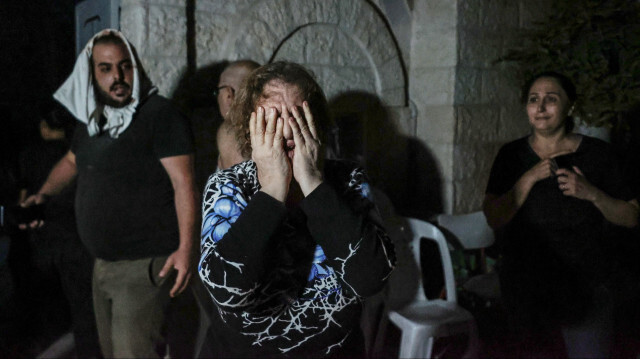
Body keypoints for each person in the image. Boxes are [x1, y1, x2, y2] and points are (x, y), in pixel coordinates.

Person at [20, 29, 198, 358]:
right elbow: (71, 162)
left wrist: (187, 249)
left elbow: (184, 184)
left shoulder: (159, 115)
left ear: (136, 67)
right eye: (105, 68)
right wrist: (43, 193)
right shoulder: (93, 120)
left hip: (144, 267)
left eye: (124, 66)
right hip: (101, 266)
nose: (117, 76)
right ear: (91, 74)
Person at [198, 61, 395, 358]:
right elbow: (227, 291)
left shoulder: (349, 179)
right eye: (272, 118)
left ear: (316, 123)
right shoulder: (228, 185)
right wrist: (273, 190)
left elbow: (370, 279)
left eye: (298, 116)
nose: (287, 130)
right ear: (249, 128)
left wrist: (314, 185)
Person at [483, 71, 639, 358]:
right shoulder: (511, 155)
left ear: (570, 108)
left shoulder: (598, 154)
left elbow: (631, 215)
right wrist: (529, 178)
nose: (540, 107)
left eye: (551, 99)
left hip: (586, 284)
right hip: (527, 286)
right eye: (534, 99)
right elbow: (494, 217)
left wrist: (591, 193)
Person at [17, 107, 100, 357]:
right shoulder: (75, 155)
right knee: (86, 312)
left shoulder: (29, 155)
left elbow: (24, 200)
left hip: (45, 243)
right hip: (78, 241)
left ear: (44, 127)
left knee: (56, 310)